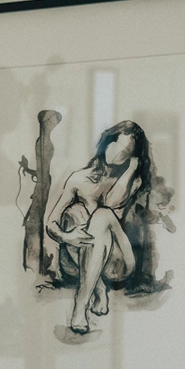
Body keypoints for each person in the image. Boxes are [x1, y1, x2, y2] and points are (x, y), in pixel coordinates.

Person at [42, 120, 153, 334]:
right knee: (74, 213)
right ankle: (97, 285)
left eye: (127, 152)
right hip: (80, 255)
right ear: (107, 143)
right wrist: (67, 237)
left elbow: (111, 204)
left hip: (118, 261)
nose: (119, 154)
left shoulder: (130, 181)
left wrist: (131, 169)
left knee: (102, 214)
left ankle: (80, 304)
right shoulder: (78, 179)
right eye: (117, 146)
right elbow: (51, 223)